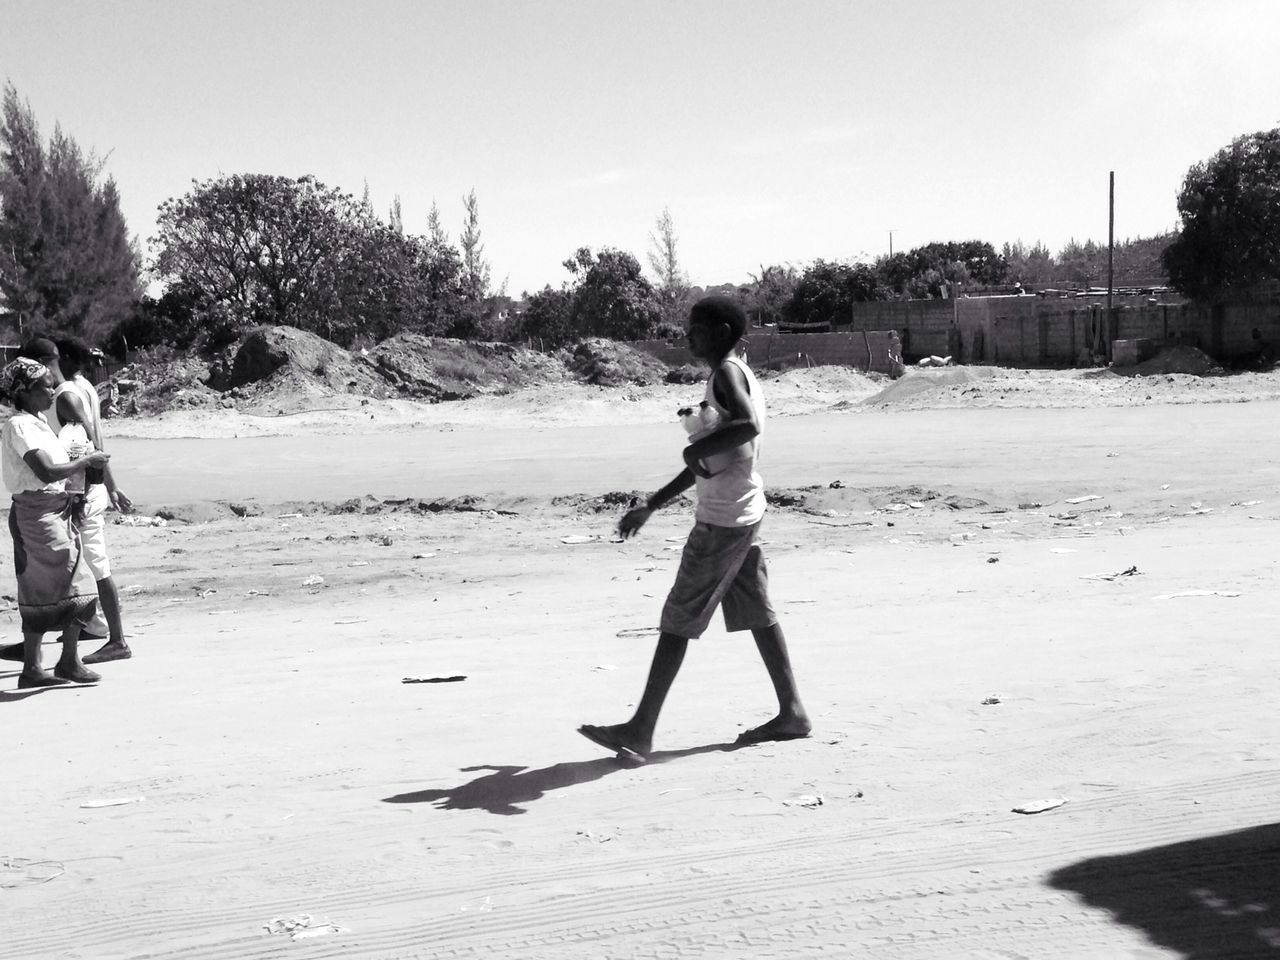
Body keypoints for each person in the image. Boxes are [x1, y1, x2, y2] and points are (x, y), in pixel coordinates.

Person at [578, 296, 810, 762]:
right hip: (742, 511)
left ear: (721, 330)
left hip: (724, 520)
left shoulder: (726, 373)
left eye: (696, 328)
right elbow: (714, 456)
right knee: (756, 612)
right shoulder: (734, 372)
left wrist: (690, 455)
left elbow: (743, 427)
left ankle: (640, 728)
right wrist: (652, 505)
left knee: (677, 620)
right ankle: (793, 712)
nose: (688, 336)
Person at [0, 357, 111, 687]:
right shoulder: (19, 425)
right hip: (37, 514)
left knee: (61, 587)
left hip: (56, 510)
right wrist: (87, 461)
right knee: (60, 587)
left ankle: (61, 663)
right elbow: (45, 471)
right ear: (26, 391)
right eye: (45, 386)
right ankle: (41, 666)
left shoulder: (38, 422)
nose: (53, 391)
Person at [54, 337, 133, 663]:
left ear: (64, 358)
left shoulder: (67, 395)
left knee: (93, 566)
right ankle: (93, 624)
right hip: (94, 485)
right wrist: (111, 486)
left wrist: (80, 493)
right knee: (81, 565)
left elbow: (86, 443)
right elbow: (97, 440)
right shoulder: (86, 386)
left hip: (84, 489)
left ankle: (116, 639)